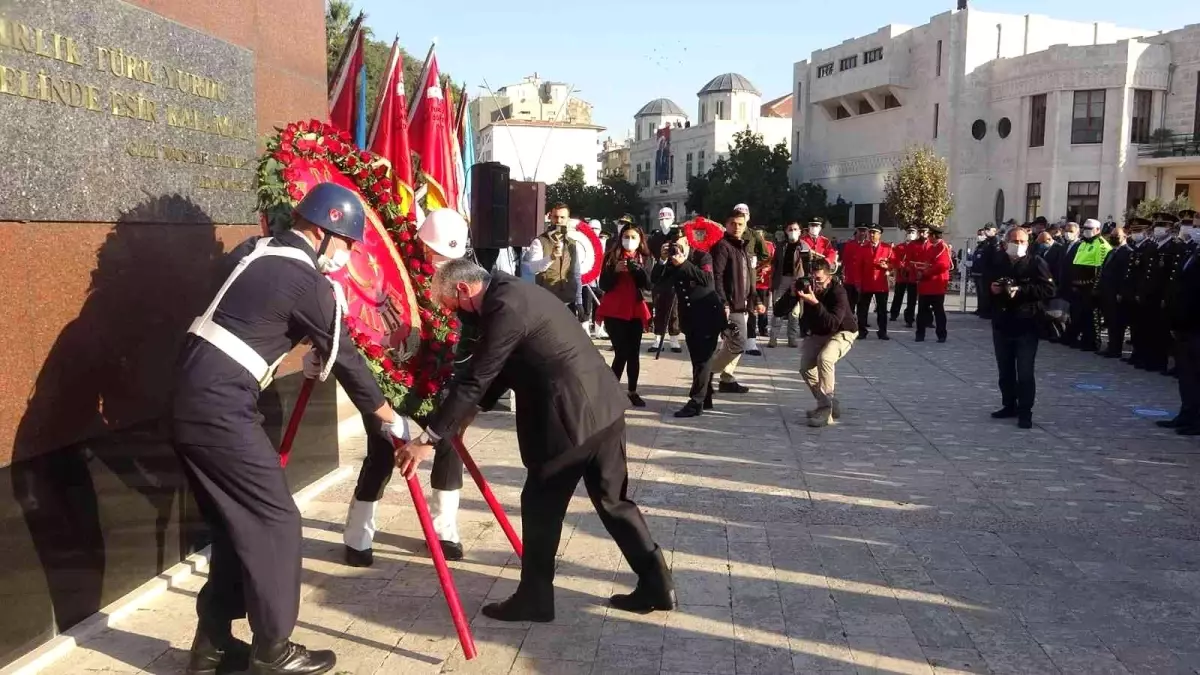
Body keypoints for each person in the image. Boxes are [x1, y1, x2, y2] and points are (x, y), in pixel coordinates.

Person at [172, 183, 419, 675]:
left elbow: (260, 317)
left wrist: (310, 351)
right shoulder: (309, 280)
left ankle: (212, 646)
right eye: (347, 244)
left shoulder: (254, 251)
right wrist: (391, 420)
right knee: (276, 522)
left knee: (232, 525)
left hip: (188, 397)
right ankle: (273, 650)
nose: (346, 257)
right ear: (324, 233)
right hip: (222, 408)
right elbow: (346, 356)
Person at [399, 259, 675, 622]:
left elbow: (478, 376)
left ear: (463, 290)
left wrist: (429, 437)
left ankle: (535, 597)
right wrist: (465, 416)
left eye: (451, 307)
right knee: (613, 501)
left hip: (567, 419)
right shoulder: (513, 292)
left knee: (541, 506)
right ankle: (657, 582)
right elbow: (504, 365)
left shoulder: (503, 306)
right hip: (603, 408)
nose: (454, 316)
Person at [342, 208, 472, 566]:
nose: (440, 263)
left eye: (448, 257)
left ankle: (444, 530)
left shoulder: (465, 281)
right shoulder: (392, 268)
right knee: (383, 448)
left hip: (433, 377)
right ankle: (358, 534)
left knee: (447, 442)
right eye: (435, 254)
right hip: (385, 372)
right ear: (419, 244)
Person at [988, 227, 1056, 429]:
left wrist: (1021, 290)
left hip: (1027, 323)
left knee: (1025, 372)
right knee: (1005, 369)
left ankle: (1025, 411)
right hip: (1002, 322)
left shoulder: (1036, 262)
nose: (1018, 245)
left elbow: (1049, 289)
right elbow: (987, 284)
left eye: (1022, 242)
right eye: (1014, 241)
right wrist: (994, 289)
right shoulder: (999, 260)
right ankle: (1009, 404)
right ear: (1006, 242)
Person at [653, 229, 725, 418]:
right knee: (697, 359)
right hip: (689, 317)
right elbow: (656, 281)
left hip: (708, 315)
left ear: (688, 241)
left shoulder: (702, 256)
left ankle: (696, 401)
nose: (677, 246)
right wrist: (661, 260)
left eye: (680, 242)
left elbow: (707, 280)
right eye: (674, 243)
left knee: (703, 360)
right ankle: (705, 394)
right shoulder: (670, 260)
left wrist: (684, 263)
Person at [795, 257, 858, 428]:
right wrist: (792, 291)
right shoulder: (808, 288)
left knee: (825, 359)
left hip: (842, 331)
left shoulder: (838, 292)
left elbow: (833, 323)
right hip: (820, 332)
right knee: (806, 368)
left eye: (819, 280)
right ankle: (830, 402)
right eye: (813, 278)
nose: (816, 283)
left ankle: (825, 411)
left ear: (829, 277)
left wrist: (815, 303)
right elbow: (779, 310)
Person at [596, 222, 653, 407]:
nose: (629, 241)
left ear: (640, 240)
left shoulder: (645, 258)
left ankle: (632, 391)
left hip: (635, 309)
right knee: (621, 352)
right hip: (614, 309)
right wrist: (615, 271)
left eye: (633, 237)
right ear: (620, 238)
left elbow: (649, 284)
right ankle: (611, 391)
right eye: (626, 237)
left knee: (634, 353)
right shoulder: (611, 257)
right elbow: (603, 284)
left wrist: (638, 271)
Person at [708, 208, 755, 394]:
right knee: (738, 343)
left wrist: (755, 298)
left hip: (742, 302)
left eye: (740, 224)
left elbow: (747, 276)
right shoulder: (722, 247)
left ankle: (727, 379)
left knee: (731, 344)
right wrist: (723, 302)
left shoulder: (741, 246)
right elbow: (717, 276)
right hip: (730, 304)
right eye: (733, 224)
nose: (736, 227)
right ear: (726, 225)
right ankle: (706, 373)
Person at [1159, 227, 1200, 435]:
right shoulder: (1191, 252)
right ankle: (1186, 414)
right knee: (1187, 375)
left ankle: (1196, 421)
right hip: (1184, 324)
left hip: (1196, 324)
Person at [1061, 219, 1112, 352]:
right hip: (1078, 285)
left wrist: (1095, 287)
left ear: (1097, 230)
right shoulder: (1083, 243)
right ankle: (1083, 339)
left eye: (1090, 228)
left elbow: (1100, 269)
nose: (1087, 231)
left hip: (1090, 286)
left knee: (1092, 316)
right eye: (1085, 228)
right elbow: (1076, 263)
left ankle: (1094, 342)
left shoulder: (1101, 245)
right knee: (1080, 314)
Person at [522, 203, 581, 312]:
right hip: (546, 300)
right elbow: (533, 268)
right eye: (555, 217)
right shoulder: (539, 241)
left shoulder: (572, 243)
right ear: (550, 218)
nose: (558, 220)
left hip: (568, 300)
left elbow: (576, 273)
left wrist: (579, 301)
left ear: (568, 219)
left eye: (562, 217)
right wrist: (551, 258)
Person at [1123, 217, 1158, 368]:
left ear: (1147, 231)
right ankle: (1136, 354)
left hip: (1142, 294)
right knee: (1135, 326)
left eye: (1139, 231)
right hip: (1133, 293)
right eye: (1134, 231)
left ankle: (1143, 356)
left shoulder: (1149, 248)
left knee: (1144, 327)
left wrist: (1140, 292)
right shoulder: (1136, 246)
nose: (1135, 233)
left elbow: (1147, 274)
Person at [647, 208, 683, 354]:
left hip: (675, 273)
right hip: (660, 274)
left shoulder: (679, 236)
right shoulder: (655, 238)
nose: (664, 222)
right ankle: (658, 338)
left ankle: (674, 339)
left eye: (667, 219)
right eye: (661, 219)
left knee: (674, 309)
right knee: (659, 308)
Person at [769, 221, 808, 348]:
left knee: (794, 311)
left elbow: (808, 265)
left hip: (797, 280)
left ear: (800, 231)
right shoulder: (781, 246)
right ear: (786, 231)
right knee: (778, 309)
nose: (793, 231)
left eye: (795, 229)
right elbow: (774, 263)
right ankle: (773, 338)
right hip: (782, 279)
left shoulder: (803, 246)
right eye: (790, 229)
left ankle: (792, 338)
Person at [912, 224, 952, 343]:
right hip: (925, 285)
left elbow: (943, 266)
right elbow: (925, 262)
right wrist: (919, 270)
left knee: (939, 312)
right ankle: (920, 334)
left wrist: (925, 272)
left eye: (929, 234)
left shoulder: (942, 247)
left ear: (934, 236)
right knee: (921, 312)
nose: (928, 237)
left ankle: (941, 334)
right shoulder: (930, 247)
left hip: (936, 285)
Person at [1097, 224, 1132, 358]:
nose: (1113, 238)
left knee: (1118, 322)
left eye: (1116, 236)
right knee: (1110, 320)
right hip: (1107, 291)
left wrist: (1121, 292)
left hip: (1117, 293)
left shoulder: (1128, 252)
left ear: (1124, 236)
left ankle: (1116, 349)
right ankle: (1111, 346)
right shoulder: (1112, 251)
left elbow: (1125, 275)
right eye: (1111, 236)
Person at [855, 224, 892, 340]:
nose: (871, 235)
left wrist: (887, 266)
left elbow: (895, 263)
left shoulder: (887, 248)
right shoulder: (863, 248)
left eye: (874, 232)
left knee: (882, 310)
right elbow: (858, 267)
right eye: (870, 232)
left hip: (881, 283)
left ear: (879, 234)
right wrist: (857, 282)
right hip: (866, 283)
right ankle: (862, 331)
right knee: (862, 309)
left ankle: (882, 331)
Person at [890, 226, 919, 327]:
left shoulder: (917, 247)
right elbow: (895, 259)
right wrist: (901, 266)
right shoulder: (899, 247)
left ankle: (909, 318)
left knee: (912, 298)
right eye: (909, 232)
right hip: (901, 275)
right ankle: (894, 313)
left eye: (913, 232)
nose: (911, 233)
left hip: (913, 276)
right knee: (898, 296)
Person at [841, 225, 869, 324]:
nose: (862, 233)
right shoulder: (850, 244)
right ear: (856, 231)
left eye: (864, 231)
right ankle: (850, 320)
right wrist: (843, 273)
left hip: (864, 279)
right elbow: (844, 260)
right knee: (850, 302)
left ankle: (863, 322)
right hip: (850, 278)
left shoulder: (868, 245)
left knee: (863, 304)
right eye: (860, 230)